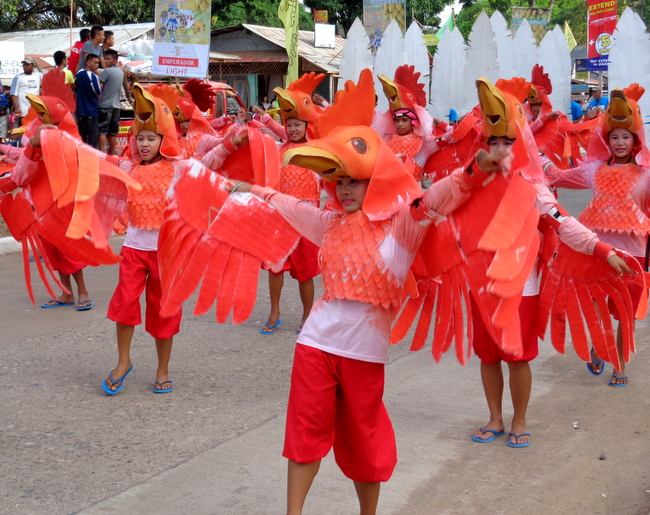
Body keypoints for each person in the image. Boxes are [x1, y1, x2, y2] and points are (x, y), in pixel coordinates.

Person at [227, 105, 493, 513]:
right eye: (340, 182)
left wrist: (476, 169)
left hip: (363, 356)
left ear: (377, 183)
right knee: (304, 436)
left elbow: (440, 197)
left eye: (356, 182)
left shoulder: (403, 228)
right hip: (314, 346)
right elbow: (285, 204)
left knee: (364, 444)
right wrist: (248, 188)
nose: (345, 190)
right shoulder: (328, 223)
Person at [102, 83, 240, 395]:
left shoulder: (179, 168)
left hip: (167, 253)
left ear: (164, 139)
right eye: (141, 137)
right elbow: (97, 162)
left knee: (164, 311)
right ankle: (123, 361)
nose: (145, 142)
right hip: (134, 251)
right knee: (124, 304)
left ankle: (162, 369)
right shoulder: (128, 167)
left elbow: (209, 162)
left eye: (151, 137)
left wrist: (234, 143)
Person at [543, 85, 649, 387]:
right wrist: (535, 150)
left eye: (626, 136)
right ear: (605, 138)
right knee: (599, 306)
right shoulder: (593, 170)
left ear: (636, 140)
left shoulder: (646, 172)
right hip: (598, 251)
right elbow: (557, 176)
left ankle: (619, 362)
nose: (619, 142)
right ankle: (604, 350)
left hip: (635, 254)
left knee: (624, 313)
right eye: (614, 136)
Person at [252, 77, 323, 335]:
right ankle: (274, 311)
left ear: (307, 125)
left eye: (297, 125)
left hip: (306, 221)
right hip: (280, 219)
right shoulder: (280, 150)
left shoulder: (317, 151)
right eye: (289, 124)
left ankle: (307, 315)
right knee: (275, 266)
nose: (292, 129)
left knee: (305, 273)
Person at [98, 49, 128, 155]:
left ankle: (101, 155)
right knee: (113, 133)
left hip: (105, 106)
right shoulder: (120, 72)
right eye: (105, 58)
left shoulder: (107, 71)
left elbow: (98, 84)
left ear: (115, 61)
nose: (105, 61)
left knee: (101, 132)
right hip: (116, 106)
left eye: (108, 59)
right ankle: (111, 155)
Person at [75, 54, 102, 148]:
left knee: (82, 138)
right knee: (92, 139)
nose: (97, 65)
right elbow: (98, 93)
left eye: (98, 63)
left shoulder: (79, 73)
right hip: (91, 111)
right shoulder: (93, 76)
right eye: (95, 62)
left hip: (81, 111)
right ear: (88, 62)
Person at [10, 57, 42, 128]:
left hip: (35, 111)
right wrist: (17, 108)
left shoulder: (38, 75)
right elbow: (13, 94)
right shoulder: (18, 77)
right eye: (24, 65)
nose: (25, 67)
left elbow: (46, 81)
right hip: (23, 112)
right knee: (23, 132)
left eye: (27, 65)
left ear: (33, 66)